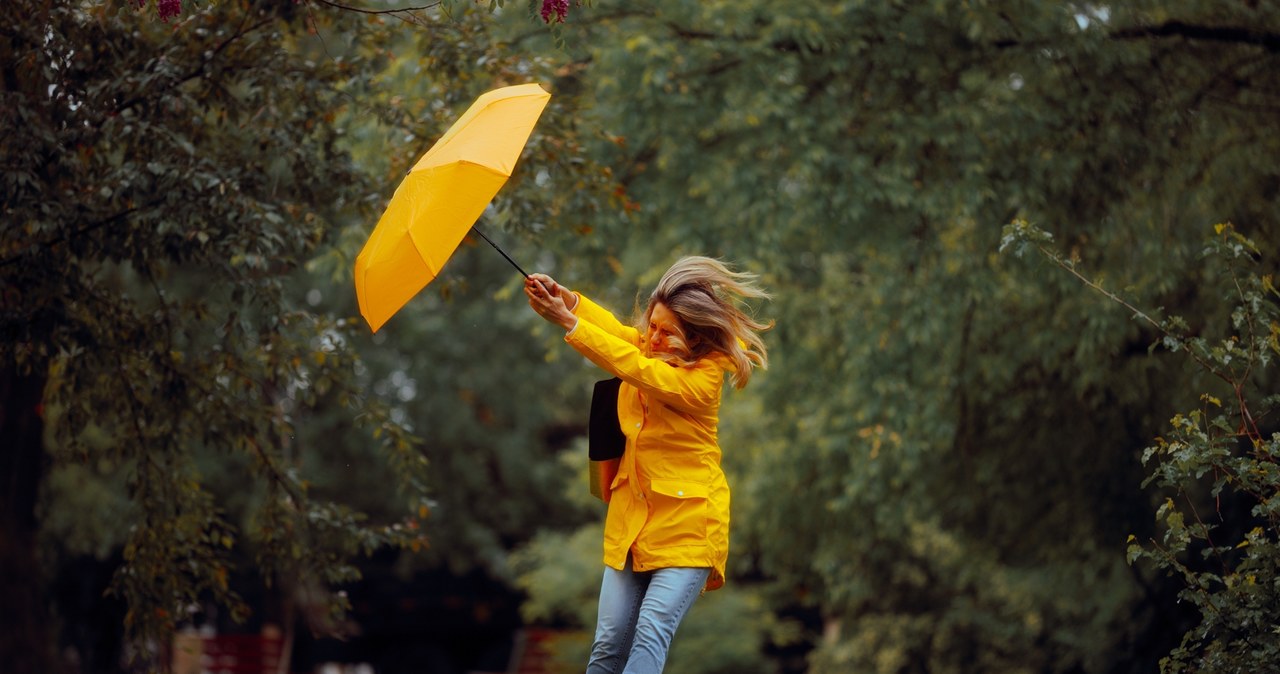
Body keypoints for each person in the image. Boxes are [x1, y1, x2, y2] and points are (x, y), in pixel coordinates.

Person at [524, 256, 772, 674]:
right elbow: (619, 337)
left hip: (689, 526)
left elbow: (634, 367)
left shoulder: (702, 379)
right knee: (606, 646)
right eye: (651, 326)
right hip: (632, 522)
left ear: (692, 338)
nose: (651, 338)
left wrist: (570, 324)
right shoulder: (650, 346)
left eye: (665, 332)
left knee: (651, 632)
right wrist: (567, 300)